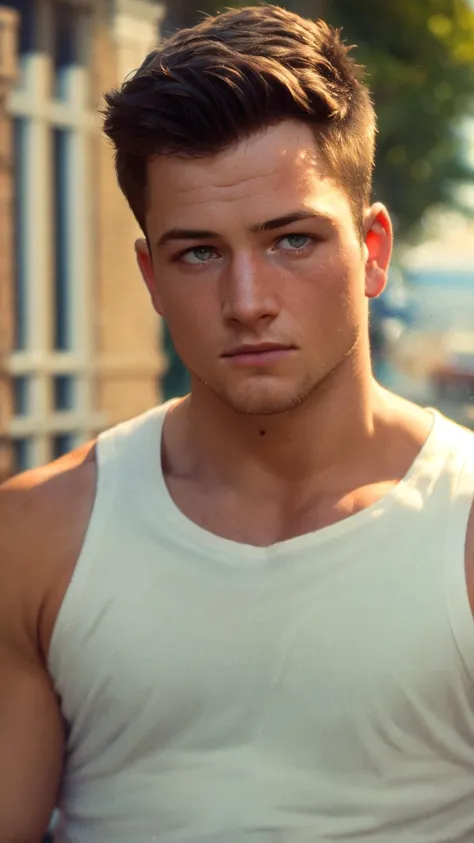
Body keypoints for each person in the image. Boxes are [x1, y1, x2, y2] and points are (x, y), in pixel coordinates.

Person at [2, 5, 474, 842]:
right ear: (149, 273)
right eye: (199, 253)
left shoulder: (463, 525)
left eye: (292, 241)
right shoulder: (38, 536)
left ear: (372, 250)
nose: (247, 303)